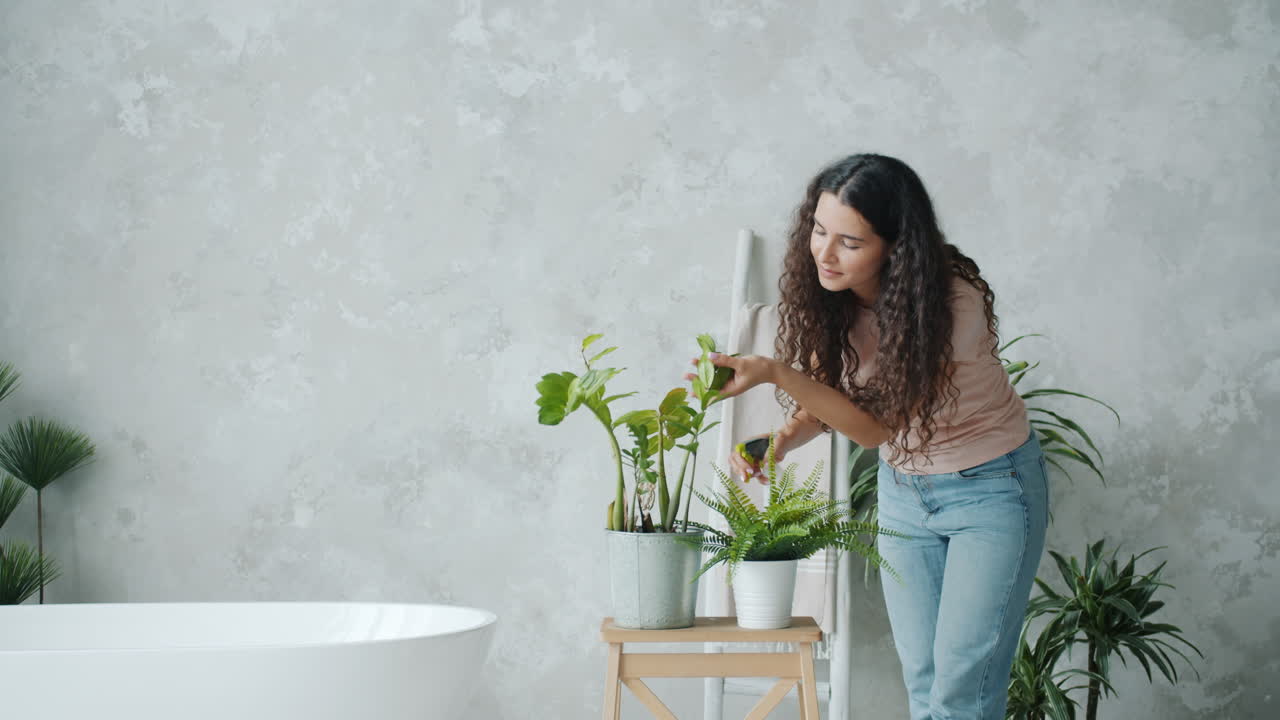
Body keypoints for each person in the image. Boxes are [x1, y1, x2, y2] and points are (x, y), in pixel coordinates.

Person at [682, 153, 1050, 720]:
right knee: (925, 684)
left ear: (895, 247)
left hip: (991, 489)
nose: (825, 254)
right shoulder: (832, 299)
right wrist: (778, 442)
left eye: (849, 243)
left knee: (963, 695)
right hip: (905, 493)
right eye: (819, 231)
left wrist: (778, 373)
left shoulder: (951, 305)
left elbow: (876, 428)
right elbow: (832, 400)